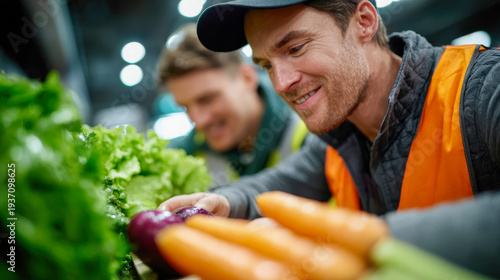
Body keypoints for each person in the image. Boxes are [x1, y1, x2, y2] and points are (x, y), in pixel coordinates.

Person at [158, 0, 500, 277]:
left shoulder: (485, 89)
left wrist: (364, 246)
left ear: (364, 22)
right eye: (266, 64)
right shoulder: (336, 138)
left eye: (295, 48)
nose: (281, 83)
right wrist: (225, 202)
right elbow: (277, 184)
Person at [157, 23, 310, 188]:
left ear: (247, 78)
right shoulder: (185, 154)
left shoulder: (310, 128)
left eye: (207, 99)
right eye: (185, 107)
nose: (199, 121)